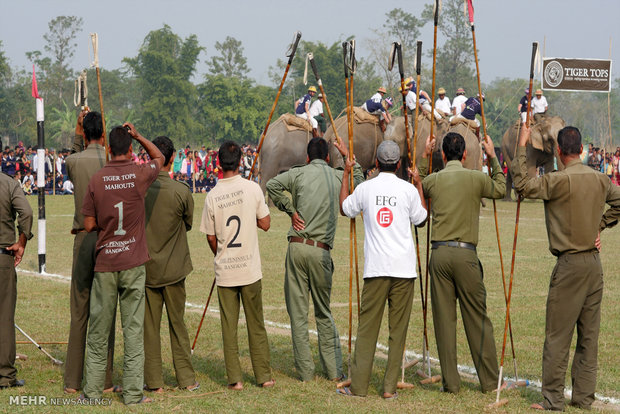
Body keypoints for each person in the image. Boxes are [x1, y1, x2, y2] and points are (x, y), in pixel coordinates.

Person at [512, 125, 620, 411]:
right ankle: (584, 397)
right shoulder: (599, 178)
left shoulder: (558, 180)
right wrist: (601, 224)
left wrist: (522, 147)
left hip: (569, 264)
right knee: (589, 336)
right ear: (582, 150)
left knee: (558, 336)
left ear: (559, 151)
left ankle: (552, 400)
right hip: (593, 266)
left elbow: (523, 186)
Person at [266, 137, 364, 382]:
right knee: (323, 311)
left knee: (298, 315)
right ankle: (333, 371)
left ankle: (306, 373)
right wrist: (350, 158)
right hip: (321, 251)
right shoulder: (337, 176)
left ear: (307, 158)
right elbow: (360, 185)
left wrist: (291, 211)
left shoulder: (298, 174)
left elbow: (272, 185)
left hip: (298, 247)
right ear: (328, 158)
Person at [81, 123, 164, 404]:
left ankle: (91, 394)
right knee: (133, 331)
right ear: (130, 150)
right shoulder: (139, 173)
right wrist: (140, 135)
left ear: (108, 149)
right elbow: (159, 159)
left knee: (98, 332)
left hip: (105, 264)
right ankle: (132, 395)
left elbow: (89, 223)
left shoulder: (97, 179)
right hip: (133, 263)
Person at [338, 140, 427, 399]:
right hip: (404, 271)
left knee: (367, 330)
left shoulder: (365, 188)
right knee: (397, 332)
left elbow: (345, 208)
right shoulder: (408, 190)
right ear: (398, 164)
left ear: (376, 163)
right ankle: (389, 389)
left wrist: (346, 173)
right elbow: (422, 219)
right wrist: (419, 183)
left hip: (376, 269)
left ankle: (359, 388)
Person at [419, 132, 506, 394]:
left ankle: (451, 383)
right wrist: (493, 157)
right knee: (477, 318)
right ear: (465, 155)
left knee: (444, 321)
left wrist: (424, 156)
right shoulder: (476, 178)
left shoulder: (433, 180)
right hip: (466, 254)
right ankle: (490, 382)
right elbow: (501, 188)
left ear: (443, 155)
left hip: (439, 255)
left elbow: (418, 183)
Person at [201, 141, 274, 390]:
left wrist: (220, 252)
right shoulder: (252, 188)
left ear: (219, 163)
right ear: (240, 160)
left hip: (226, 271)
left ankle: (235, 380)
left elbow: (211, 237)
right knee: (256, 324)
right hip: (249, 269)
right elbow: (266, 223)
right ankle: (263, 377)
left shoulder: (212, 195)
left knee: (228, 327)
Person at [63, 110, 117, 395]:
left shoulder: (74, 160)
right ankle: (105, 379)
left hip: (83, 239)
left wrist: (77, 128)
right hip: (108, 239)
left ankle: (72, 380)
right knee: (106, 308)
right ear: (103, 133)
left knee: (79, 309)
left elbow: (73, 155)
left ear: (84, 133)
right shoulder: (111, 162)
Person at [143, 136, 198, 394]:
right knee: (178, 325)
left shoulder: (140, 190)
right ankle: (186, 379)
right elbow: (187, 224)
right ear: (173, 158)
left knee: (150, 329)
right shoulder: (181, 191)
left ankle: (154, 382)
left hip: (146, 271)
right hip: (174, 270)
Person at [0, 169, 32, 389]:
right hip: (2, 258)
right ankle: (5, 375)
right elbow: (27, 213)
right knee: (4, 317)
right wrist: (21, 242)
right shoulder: (9, 184)